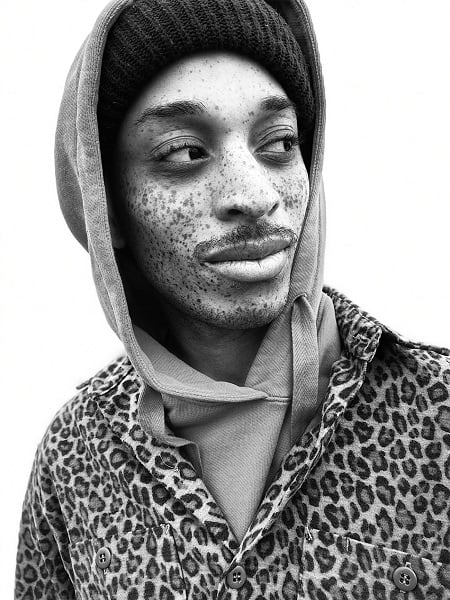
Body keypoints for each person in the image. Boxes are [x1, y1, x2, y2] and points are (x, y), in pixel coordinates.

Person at [14, 0, 450, 598]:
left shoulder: (437, 415)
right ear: (105, 204)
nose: (255, 194)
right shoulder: (75, 457)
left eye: (279, 143)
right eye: (185, 153)